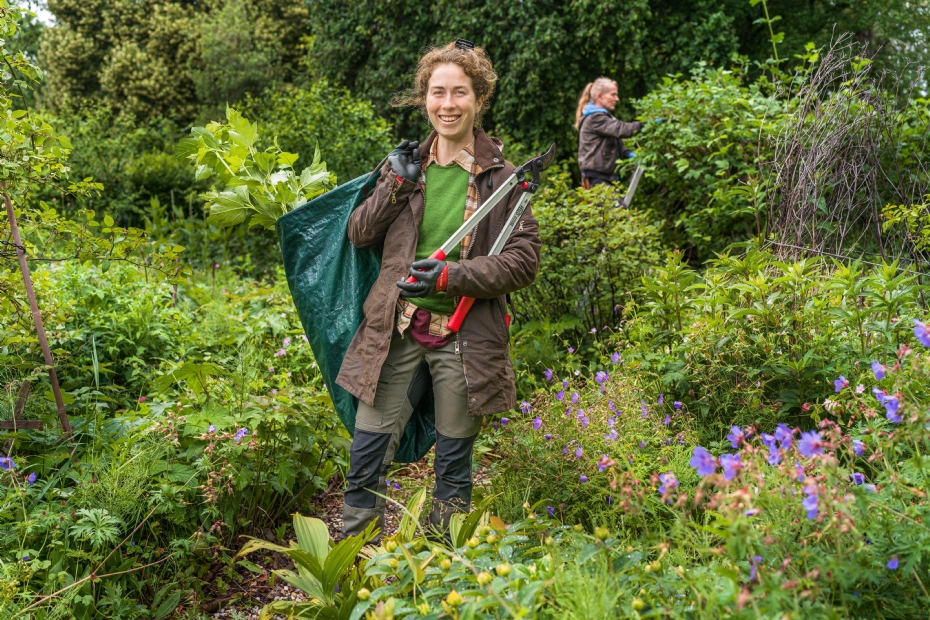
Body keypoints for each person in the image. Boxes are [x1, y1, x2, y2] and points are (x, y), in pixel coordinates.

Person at [335, 39, 541, 540]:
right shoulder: (405, 166)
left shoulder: (503, 180)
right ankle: (348, 564)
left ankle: (442, 563)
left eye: (459, 93)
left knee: (452, 464)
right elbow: (359, 235)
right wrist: (393, 188)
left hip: (464, 336)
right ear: (424, 98)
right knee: (366, 453)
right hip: (396, 328)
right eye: (437, 92)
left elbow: (523, 262)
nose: (447, 105)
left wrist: (453, 276)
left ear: (479, 99)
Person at [575, 77, 643, 188]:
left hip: (604, 178)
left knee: (620, 205)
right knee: (616, 206)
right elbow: (621, 129)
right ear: (599, 96)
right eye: (613, 95)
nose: (617, 99)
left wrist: (630, 154)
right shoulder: (595, 118)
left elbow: (617, 146)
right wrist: (645, 126)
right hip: (596, 179)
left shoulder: (604, 119)